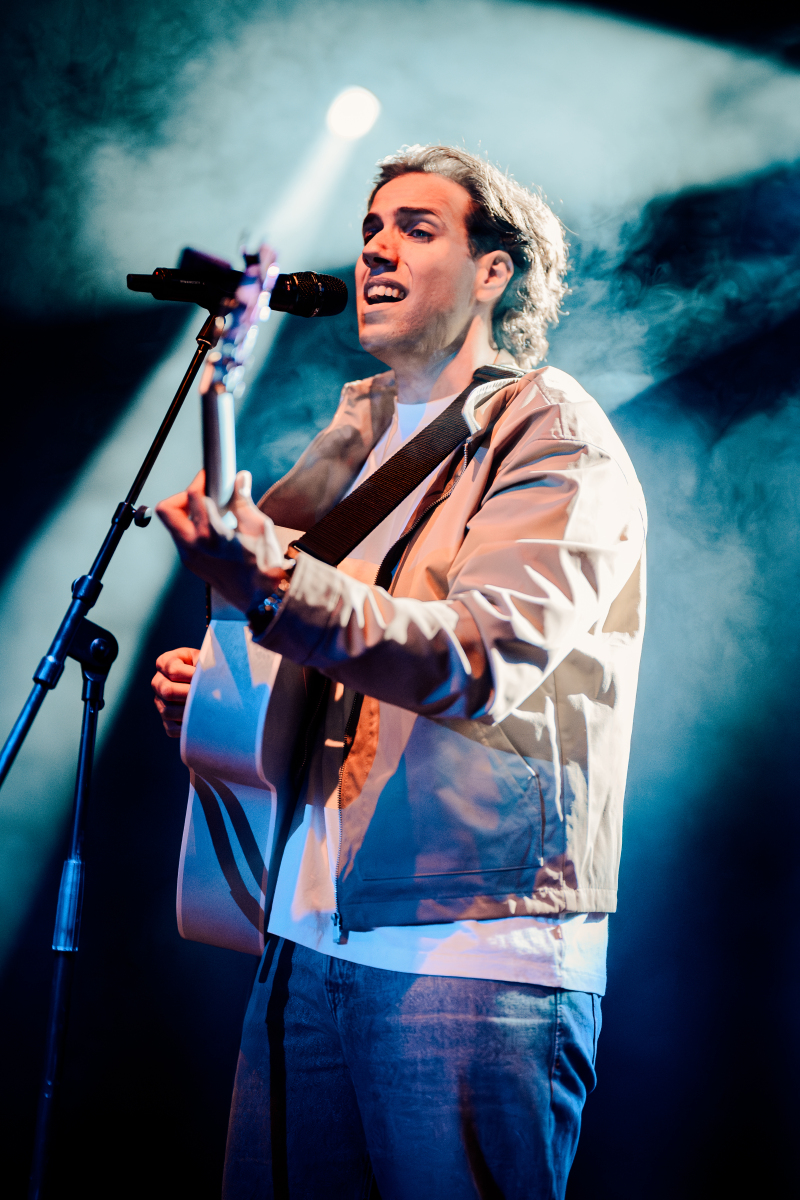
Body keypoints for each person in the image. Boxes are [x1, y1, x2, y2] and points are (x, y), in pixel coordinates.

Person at [153, 144, 647, 1200]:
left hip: (468, 952)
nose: (376, 249)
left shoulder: (550, 428)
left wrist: (276, 586)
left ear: (492, 272)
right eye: (371, 228)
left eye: (417, 229)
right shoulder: (353, 442)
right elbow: (323, 657)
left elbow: (480, 657)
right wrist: (223, 704)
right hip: (303, 937)